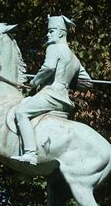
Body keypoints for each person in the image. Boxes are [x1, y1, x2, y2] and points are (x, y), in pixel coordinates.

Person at [11, 15, 92, 165]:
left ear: (61, 33)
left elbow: (48, 67)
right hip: (64, 100)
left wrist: (33, 83)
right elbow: (87, 83)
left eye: (51, 31)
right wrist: (66, 80)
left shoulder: (54, 47)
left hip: (51, 95)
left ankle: (30, 153)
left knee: (21, 112)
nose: (48, 35)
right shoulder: (74, 58)